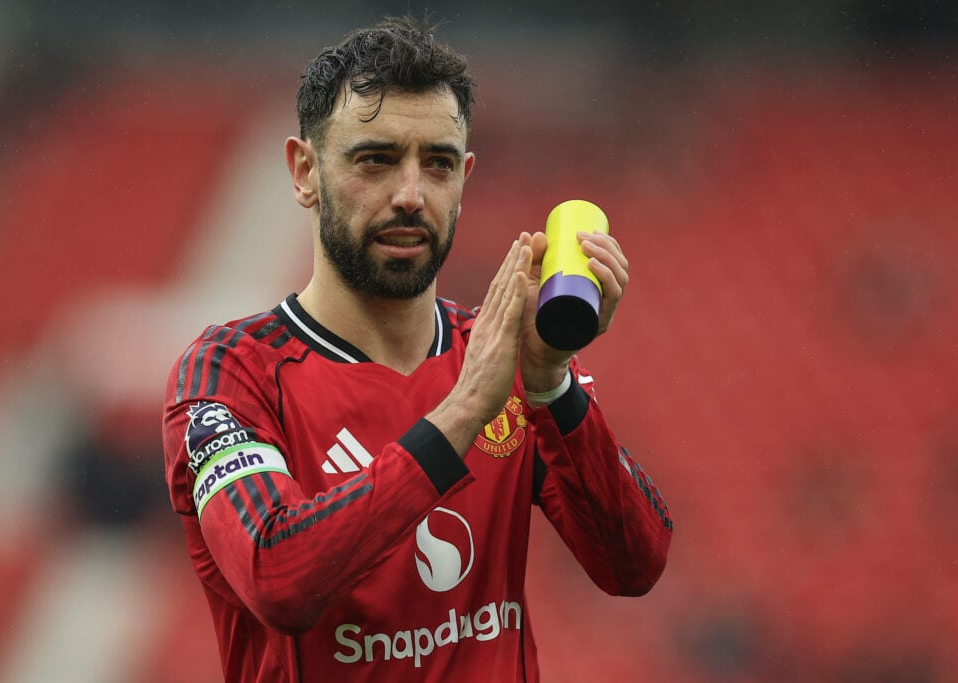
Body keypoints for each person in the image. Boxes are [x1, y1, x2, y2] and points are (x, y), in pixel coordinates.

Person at [162, 15, 673, 682]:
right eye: (375, 160)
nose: (410, 195)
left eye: (437, 164)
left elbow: (634, 564)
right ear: (305, 171)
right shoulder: (231, 372)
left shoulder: (502, 355)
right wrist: (463, 411)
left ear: (464, 177)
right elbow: (278, 578)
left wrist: (551, 382)